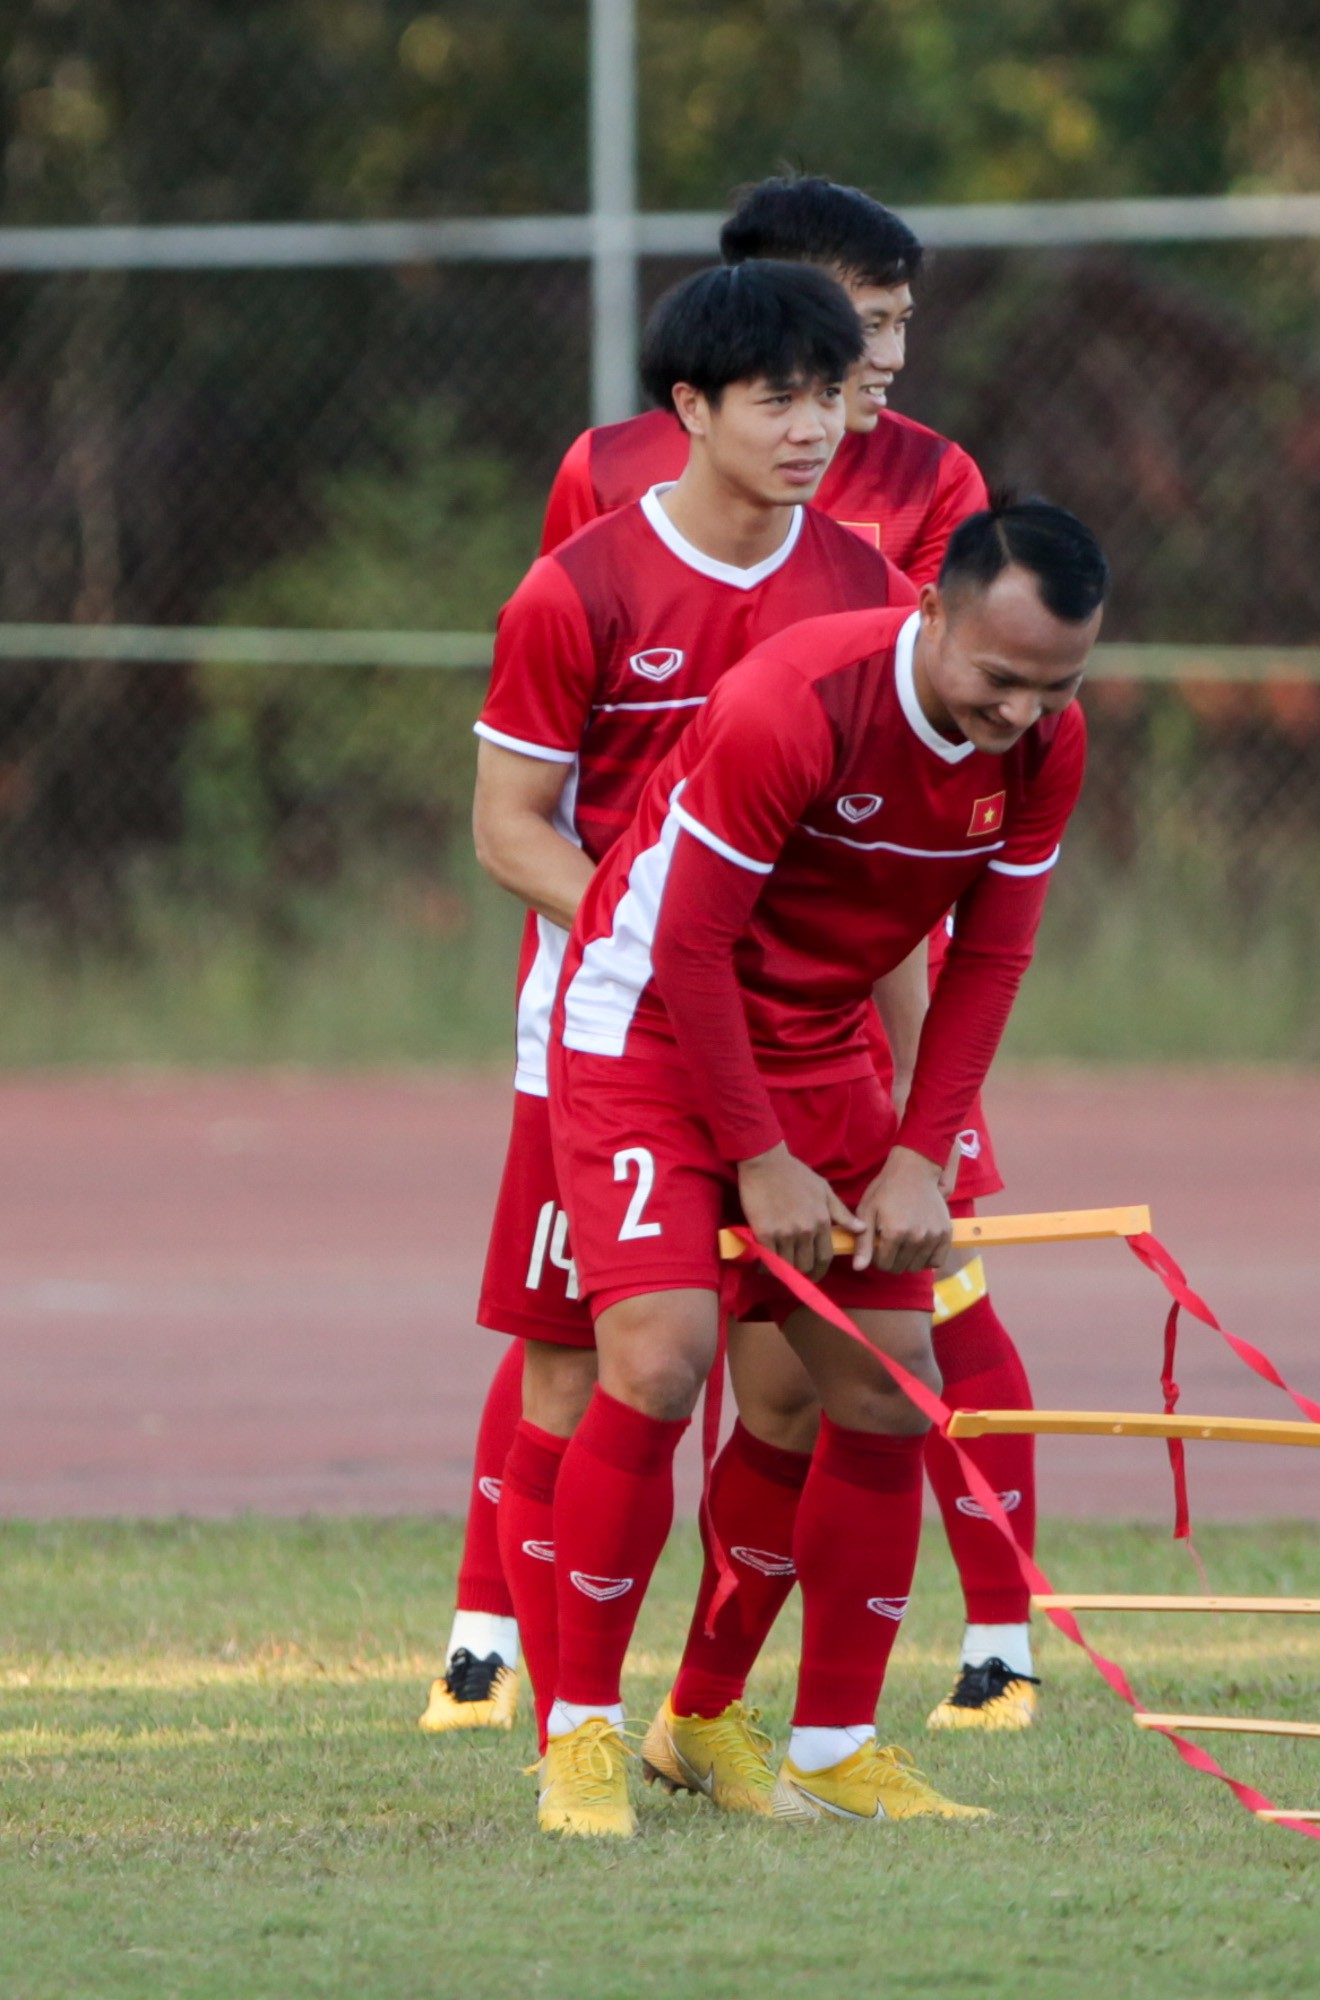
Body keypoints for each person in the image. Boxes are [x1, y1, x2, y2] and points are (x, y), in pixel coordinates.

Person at [425, 179, 1045, 1744]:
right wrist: (644, 945)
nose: (852, 388)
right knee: (603, 1349)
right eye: (824, 357)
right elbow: (518, 812)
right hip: (614, 1000)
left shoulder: (877, 555)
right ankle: (507, 1661)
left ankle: (767, 1718)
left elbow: (903, 848)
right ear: (703, 389)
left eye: (866, 357)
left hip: (813, 1020)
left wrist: (919, 1098)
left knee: (841, 1369)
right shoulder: (597, 528)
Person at [532, 499, 1104, 1835]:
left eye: (1056, 683)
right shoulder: (792, 702)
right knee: (661, 1359)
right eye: (997, 676)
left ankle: (814, 1742)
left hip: (820, 1052)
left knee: (885, 1398)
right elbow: (683, 950)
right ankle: (578, 1735)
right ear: (930, 617)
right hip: (650, 1034)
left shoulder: (1045, 748)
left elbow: (993, 959)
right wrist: (758, 1161)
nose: (1022, 710)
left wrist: (921, 1156)